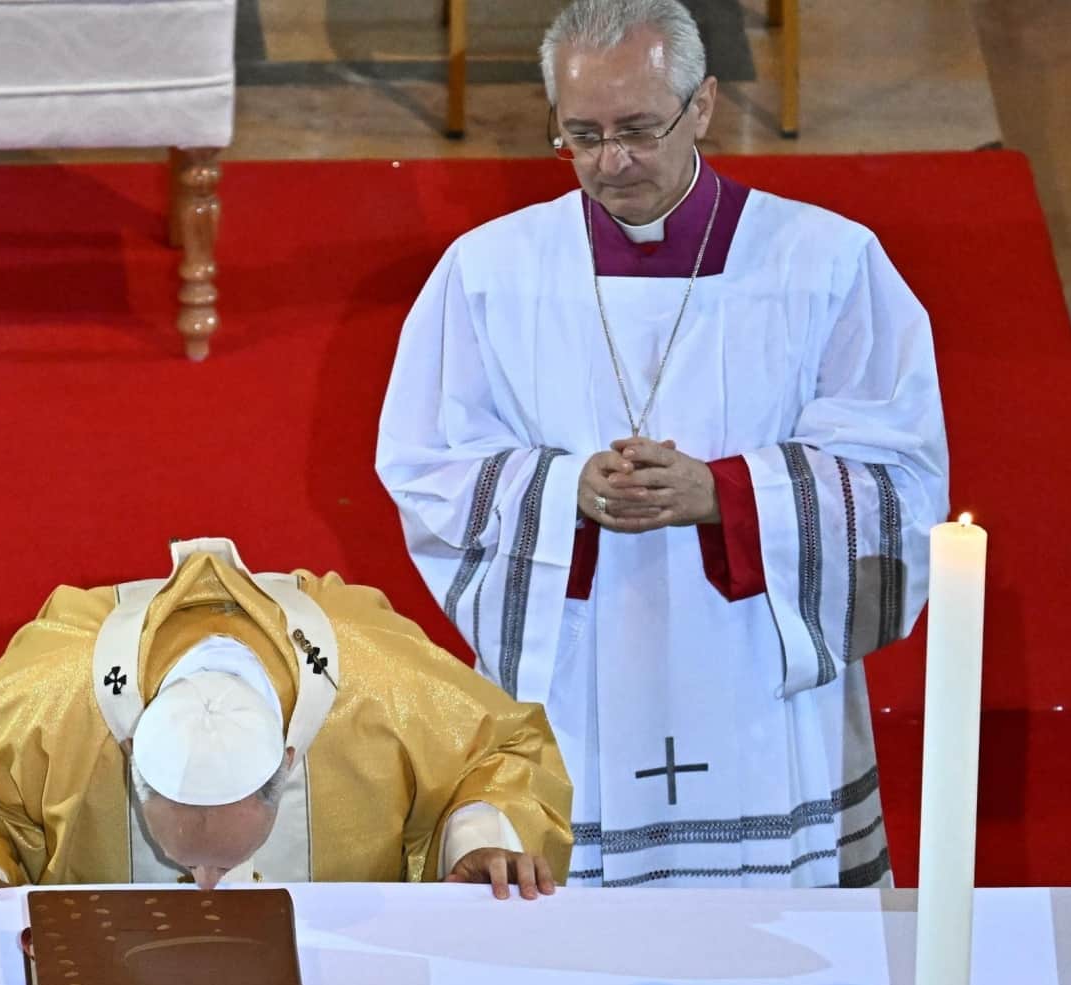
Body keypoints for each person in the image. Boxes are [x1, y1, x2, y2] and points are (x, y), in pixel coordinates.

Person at [375, 0, 948, 888]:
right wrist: (563, 490)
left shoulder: (825, 263)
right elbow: (423, 465)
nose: (611, 162)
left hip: (758, 672)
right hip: (580, 667)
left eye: (639, 129)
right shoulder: (488, 273)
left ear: (704, 105)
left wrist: (728, 494)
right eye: (582, 135)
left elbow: (902, 478)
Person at [0, 537, 572, 900]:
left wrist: (481, 837)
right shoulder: (51, 699)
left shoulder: (382, 686)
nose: (209, 889)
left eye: (221, 862)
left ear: (290, 763)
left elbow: (500, 751)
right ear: (129, 760)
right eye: (186, 860)